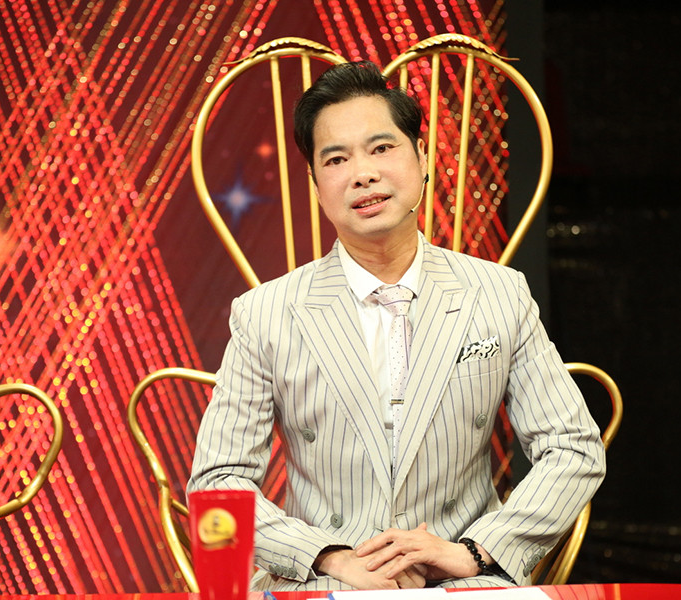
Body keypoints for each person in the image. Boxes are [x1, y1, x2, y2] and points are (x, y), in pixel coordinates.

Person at [187, 61, 606, 592]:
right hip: (324, 579)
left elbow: (572, 447)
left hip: (460, 577)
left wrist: (477, 550)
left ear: (422, 158)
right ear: (316, 184)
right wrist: (329, 556)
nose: (363, 174)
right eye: (336, 159)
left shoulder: (498, 293)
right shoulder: (265, 313)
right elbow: (216, 482)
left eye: (381, 148)